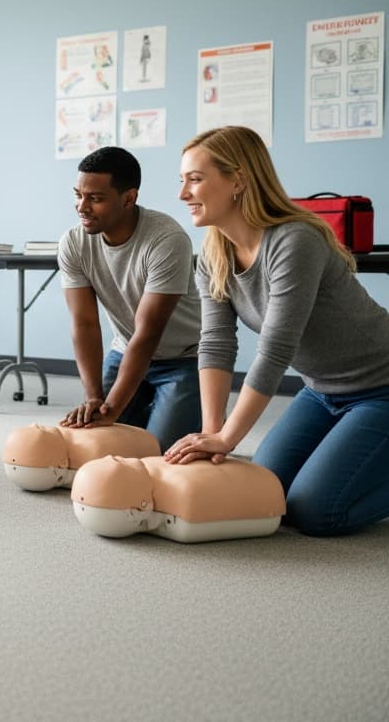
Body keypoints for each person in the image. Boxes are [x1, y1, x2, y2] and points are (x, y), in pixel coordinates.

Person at [166, 126, 389, 536]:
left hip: (381, 387)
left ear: (238, 180)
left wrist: (230, 439)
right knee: (268, 493)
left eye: (195, 180)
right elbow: (216, 343)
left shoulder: (294, 241)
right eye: (181, 181)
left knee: (315, 512)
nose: (183, 194)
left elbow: (275, 349)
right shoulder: (212, 256)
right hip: (321, 391)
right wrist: (211, 432)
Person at [59, 146, 202, 451]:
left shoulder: (167, 240)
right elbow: (84, 324)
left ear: (128, 198)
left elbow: (147, 335)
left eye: (95, 199)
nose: (82, 207)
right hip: (124, 352)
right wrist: (95, 399)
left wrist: (111, 411)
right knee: (92, 444)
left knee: (157, 451)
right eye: (78, 195)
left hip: (184, 359)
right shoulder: (73, 242)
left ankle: (198, 409)